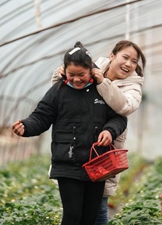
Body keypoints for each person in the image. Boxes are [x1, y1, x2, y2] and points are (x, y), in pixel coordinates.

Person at [12, 41, 127, 225]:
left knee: (89, 218)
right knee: (72, 216)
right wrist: (26, 127)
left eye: (81, 74)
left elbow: (120, 118)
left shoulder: (101, 90)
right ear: (64, 71)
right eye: (71, 74)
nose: (76, 79)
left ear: (91, 70)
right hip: (67, 164)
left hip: (97, 164)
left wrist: (109, 131)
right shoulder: (58, 92)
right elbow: (41, 116)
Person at [52, 40, 146, 225]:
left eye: (134, 61)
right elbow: (60, 93)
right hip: (75, 153)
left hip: (101, 155)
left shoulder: (133, 88)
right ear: (112, 56)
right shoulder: (89, 70)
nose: (129, 64)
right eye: (125, 57)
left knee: (98, 210)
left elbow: (123, 109)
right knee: (73, 212)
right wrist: (61, 72)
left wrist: (103, 82)